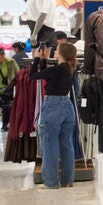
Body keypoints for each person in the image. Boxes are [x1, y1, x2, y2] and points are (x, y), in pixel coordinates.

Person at [34, 40, 80, 189]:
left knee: (50, 145)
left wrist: (36, 58)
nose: (54, 51)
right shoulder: (69, 69)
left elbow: (32, 76)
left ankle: (51, 182)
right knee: (66, 144)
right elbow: (47, 75)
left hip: (52, 106)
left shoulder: (55, 70)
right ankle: (68, 180)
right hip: (67, 106)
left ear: (61, 54)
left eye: (57, 49)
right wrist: (43, 60)